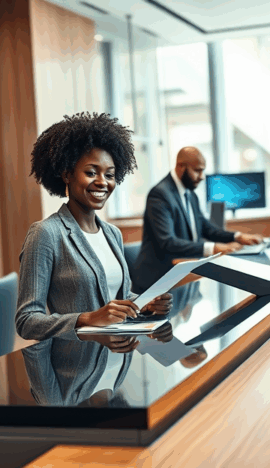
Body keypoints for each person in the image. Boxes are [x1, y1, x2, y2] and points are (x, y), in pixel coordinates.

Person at [16, 112, 172, 397]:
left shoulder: (112, 234)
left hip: (118, 373)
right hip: (70, 381)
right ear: (66, 174)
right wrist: (87, 320)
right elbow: (27, 321)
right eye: (91, 172)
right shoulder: (46, 234)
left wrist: (146, 305)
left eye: (110, 175)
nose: (103, 182)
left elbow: (119, 298)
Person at [134, 146, 263, 292]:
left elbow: (206, 228)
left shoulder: (190, 194)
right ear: (181, 166)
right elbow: (167, 242)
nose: (202, 176)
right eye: (197, 170)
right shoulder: (160, 194)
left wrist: (237, 236)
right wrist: (213, 248)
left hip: (183, 274)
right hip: (158, 280)